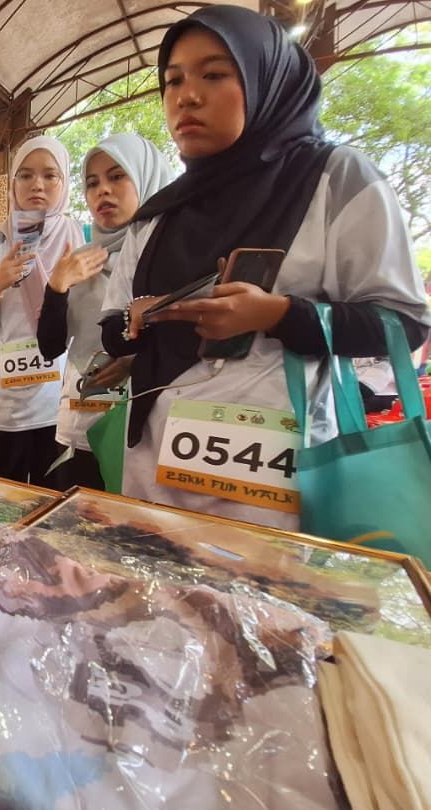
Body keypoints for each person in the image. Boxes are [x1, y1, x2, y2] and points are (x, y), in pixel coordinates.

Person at [99, 5, 430, 531]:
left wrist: (276, 314)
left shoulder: (334, 178)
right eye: (173, 81)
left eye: (214, 75)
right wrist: (138, 320)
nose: (187, 96)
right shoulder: (159, 213)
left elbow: (403, 323)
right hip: (155, 471)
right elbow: (113, 331)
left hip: (275, 486)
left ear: (266, 80)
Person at [37, 134, 177, 489]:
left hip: (147, 432)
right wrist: (57, 287)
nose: (103, 191)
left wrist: (136, 361)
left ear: (146, 177)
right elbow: (50, 347)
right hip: (79, 429)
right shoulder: (81, 259)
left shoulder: (173, 256)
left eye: (117, 177)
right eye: (92, 183)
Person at [0, 136, 94, 487]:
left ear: (65, 182)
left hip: (58, 406)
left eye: (50, 175)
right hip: (6, 407)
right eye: (25, 175)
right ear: (13, 183)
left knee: (51, 504)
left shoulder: (79, 239)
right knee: (2, 503)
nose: (37, 185)